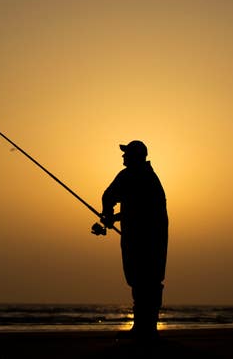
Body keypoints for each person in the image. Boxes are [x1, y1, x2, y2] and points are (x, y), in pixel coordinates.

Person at [97, 140, 168, 341]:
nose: (123, 156)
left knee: (141, 280)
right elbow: (141, 209)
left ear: (136, 156)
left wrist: (109, 214)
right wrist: (114, 217)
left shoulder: (130, 175)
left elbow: (108, 195)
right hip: (156, 238)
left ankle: (142, 329)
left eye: (126, 153)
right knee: (149, 281)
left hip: (140, 238)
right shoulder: (150, 178)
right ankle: (147, 329)